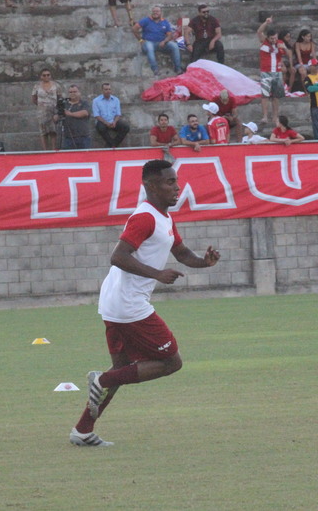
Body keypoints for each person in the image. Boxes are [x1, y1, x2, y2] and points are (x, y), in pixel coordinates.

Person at [69, 159, 220, 446]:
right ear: (150, 186)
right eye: (169, 182)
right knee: (170, 362)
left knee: (122, 369)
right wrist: (157, 274)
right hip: (129, 304)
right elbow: (119, 256)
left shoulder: (163, 218)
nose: (177, 188)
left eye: (176, 181)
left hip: (115, 301)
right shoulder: (145, 217)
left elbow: (182, 253)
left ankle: (82, 430)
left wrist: (204, 262)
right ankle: (100, 381)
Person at [133, 6, 182, 77]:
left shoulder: (165, 22)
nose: (155, 13)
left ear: (161, 13)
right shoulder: (146, 20)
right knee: (149, 47)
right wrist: (140, 40)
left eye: (157, 11)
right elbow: (134, 29)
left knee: (174, 46)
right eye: (154, 11)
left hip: (161, 43)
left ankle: (178, 69)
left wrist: (165, 41)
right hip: (148, 43)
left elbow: (169, 35)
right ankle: (155, 70)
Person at [256, 17, 285, 125]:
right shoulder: (264, 41)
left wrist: (283, 48)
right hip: (266, 71)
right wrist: (266, 22)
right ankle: (265, 116)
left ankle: (275, 117)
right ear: (268, 37)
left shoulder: (280, 42)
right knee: (265, 95)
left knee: (276, 96)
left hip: (277, 71)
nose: (274, 40)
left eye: (275, 38)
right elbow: (259, 31)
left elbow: (286, 53)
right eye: (272, 38)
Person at [31, 68, 62, 151]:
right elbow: (34, 98)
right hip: (42, 111)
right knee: (43, 132)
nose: (46, 76)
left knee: (53, 131)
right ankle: (45, 150)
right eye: (44, 75)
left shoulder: (56, 85)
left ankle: (53, 149)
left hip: (53, 111)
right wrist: (41, 106)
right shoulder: (37, 86)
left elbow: (59, 97)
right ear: (41, 76)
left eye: (48, 75)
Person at [92, 82, 130, 148]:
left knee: (126, 127)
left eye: (109, 89)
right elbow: (97, 115)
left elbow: (118, 114)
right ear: (102, 90)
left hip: (113, 121)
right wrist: (106, 123)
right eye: (106, 89)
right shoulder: (96, 101)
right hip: (102, 121)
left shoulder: (116, 100)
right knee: (101, 128)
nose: (108, 91)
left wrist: (114, 122)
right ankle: (112, 144)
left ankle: (112, 144)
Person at [59, 84, 92, 149]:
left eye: (75, 92)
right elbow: (57, 117)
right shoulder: (65, 104)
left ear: (79, 92)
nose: (72, 94)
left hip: (83, 137)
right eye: (70, 92)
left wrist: (70, 114)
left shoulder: (84, 103)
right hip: (68, 137)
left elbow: (85, 113)